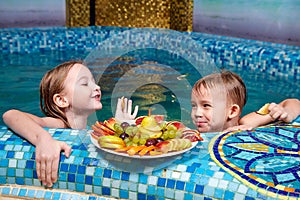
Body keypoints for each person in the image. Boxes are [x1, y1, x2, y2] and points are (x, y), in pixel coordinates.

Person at [2, 60, 138, 187]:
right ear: (62, 100)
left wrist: (120, 125)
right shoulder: (59, 124)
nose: (97, 87)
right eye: (85, 84)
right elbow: (11, 115)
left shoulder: (86, 128)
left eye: (94, 82)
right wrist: (43, 139)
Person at [191, 70, 300, 133]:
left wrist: (286, 112)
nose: (197, 114)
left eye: (206, 105)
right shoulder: (193, 135)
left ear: (232, 111)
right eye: (194, 106)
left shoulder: (246, 123)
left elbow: (295, 102)